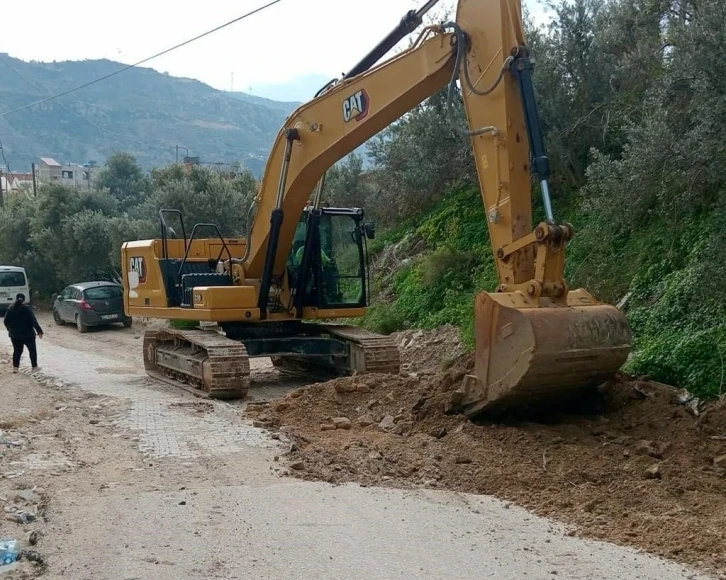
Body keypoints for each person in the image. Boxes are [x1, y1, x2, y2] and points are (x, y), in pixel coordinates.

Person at [3, 293, 43, 373]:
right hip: (28, 334)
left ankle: (15, 368)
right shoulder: (27, 309)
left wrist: (10, 329)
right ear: (24, 300)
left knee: (17, 351)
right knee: (32, 350)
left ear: (16, 298)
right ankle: (34, 367)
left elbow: (5, 321)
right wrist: (39, 331)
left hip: (15, 335)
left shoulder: (10, 309)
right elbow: (33, 321)